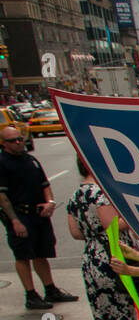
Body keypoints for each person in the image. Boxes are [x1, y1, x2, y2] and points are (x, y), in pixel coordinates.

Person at [64, 157, 139, 320]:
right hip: (113, 254)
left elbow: (75, 232)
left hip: (92, 256)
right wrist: (134, 217)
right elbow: (112, 225)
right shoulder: (100, 193)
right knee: (124, 317)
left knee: (108, 318)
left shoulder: (77, 195)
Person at [0, 125, 78, 309]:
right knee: (23, 256)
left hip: (39, 214)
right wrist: (15, 221)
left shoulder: (30, 160)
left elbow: (45, 184)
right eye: (14, 140)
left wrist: (50, 202)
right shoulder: (2, 163)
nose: (19, 142)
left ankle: (50, 289)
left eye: (20, 138)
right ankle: (31, 295)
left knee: (41, 253)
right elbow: (2, 197)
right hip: (19, 215)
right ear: (4, 143)